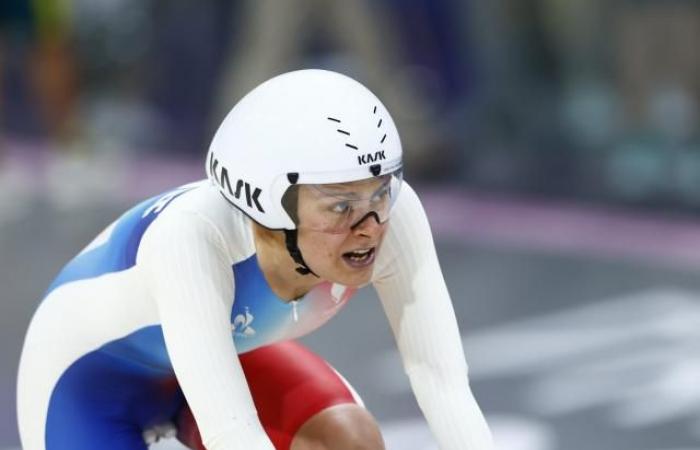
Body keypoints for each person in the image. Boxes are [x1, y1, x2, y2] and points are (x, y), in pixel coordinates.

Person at [17, 69, 494, 450]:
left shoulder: (397, 213)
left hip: (208, 359)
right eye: (340, 206)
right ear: (267, 205)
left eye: (379, 194)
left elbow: (441, 380)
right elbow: (233, 436)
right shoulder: (191, 241)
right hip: (84, 388)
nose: (369, 225)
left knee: (348, 441)